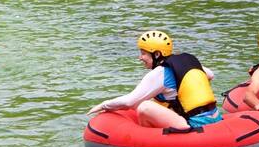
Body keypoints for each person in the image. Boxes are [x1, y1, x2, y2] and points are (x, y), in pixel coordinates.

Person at [87, 30, 223, 129]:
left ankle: (148, 136)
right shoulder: (188, 60)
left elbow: (129, 101)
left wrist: (104, 105)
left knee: (144, 106)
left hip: (193, 123)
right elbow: (210, 75)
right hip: (215, 117)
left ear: (157, 54)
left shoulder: (160, 72)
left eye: (143, 53)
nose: (140, 58)